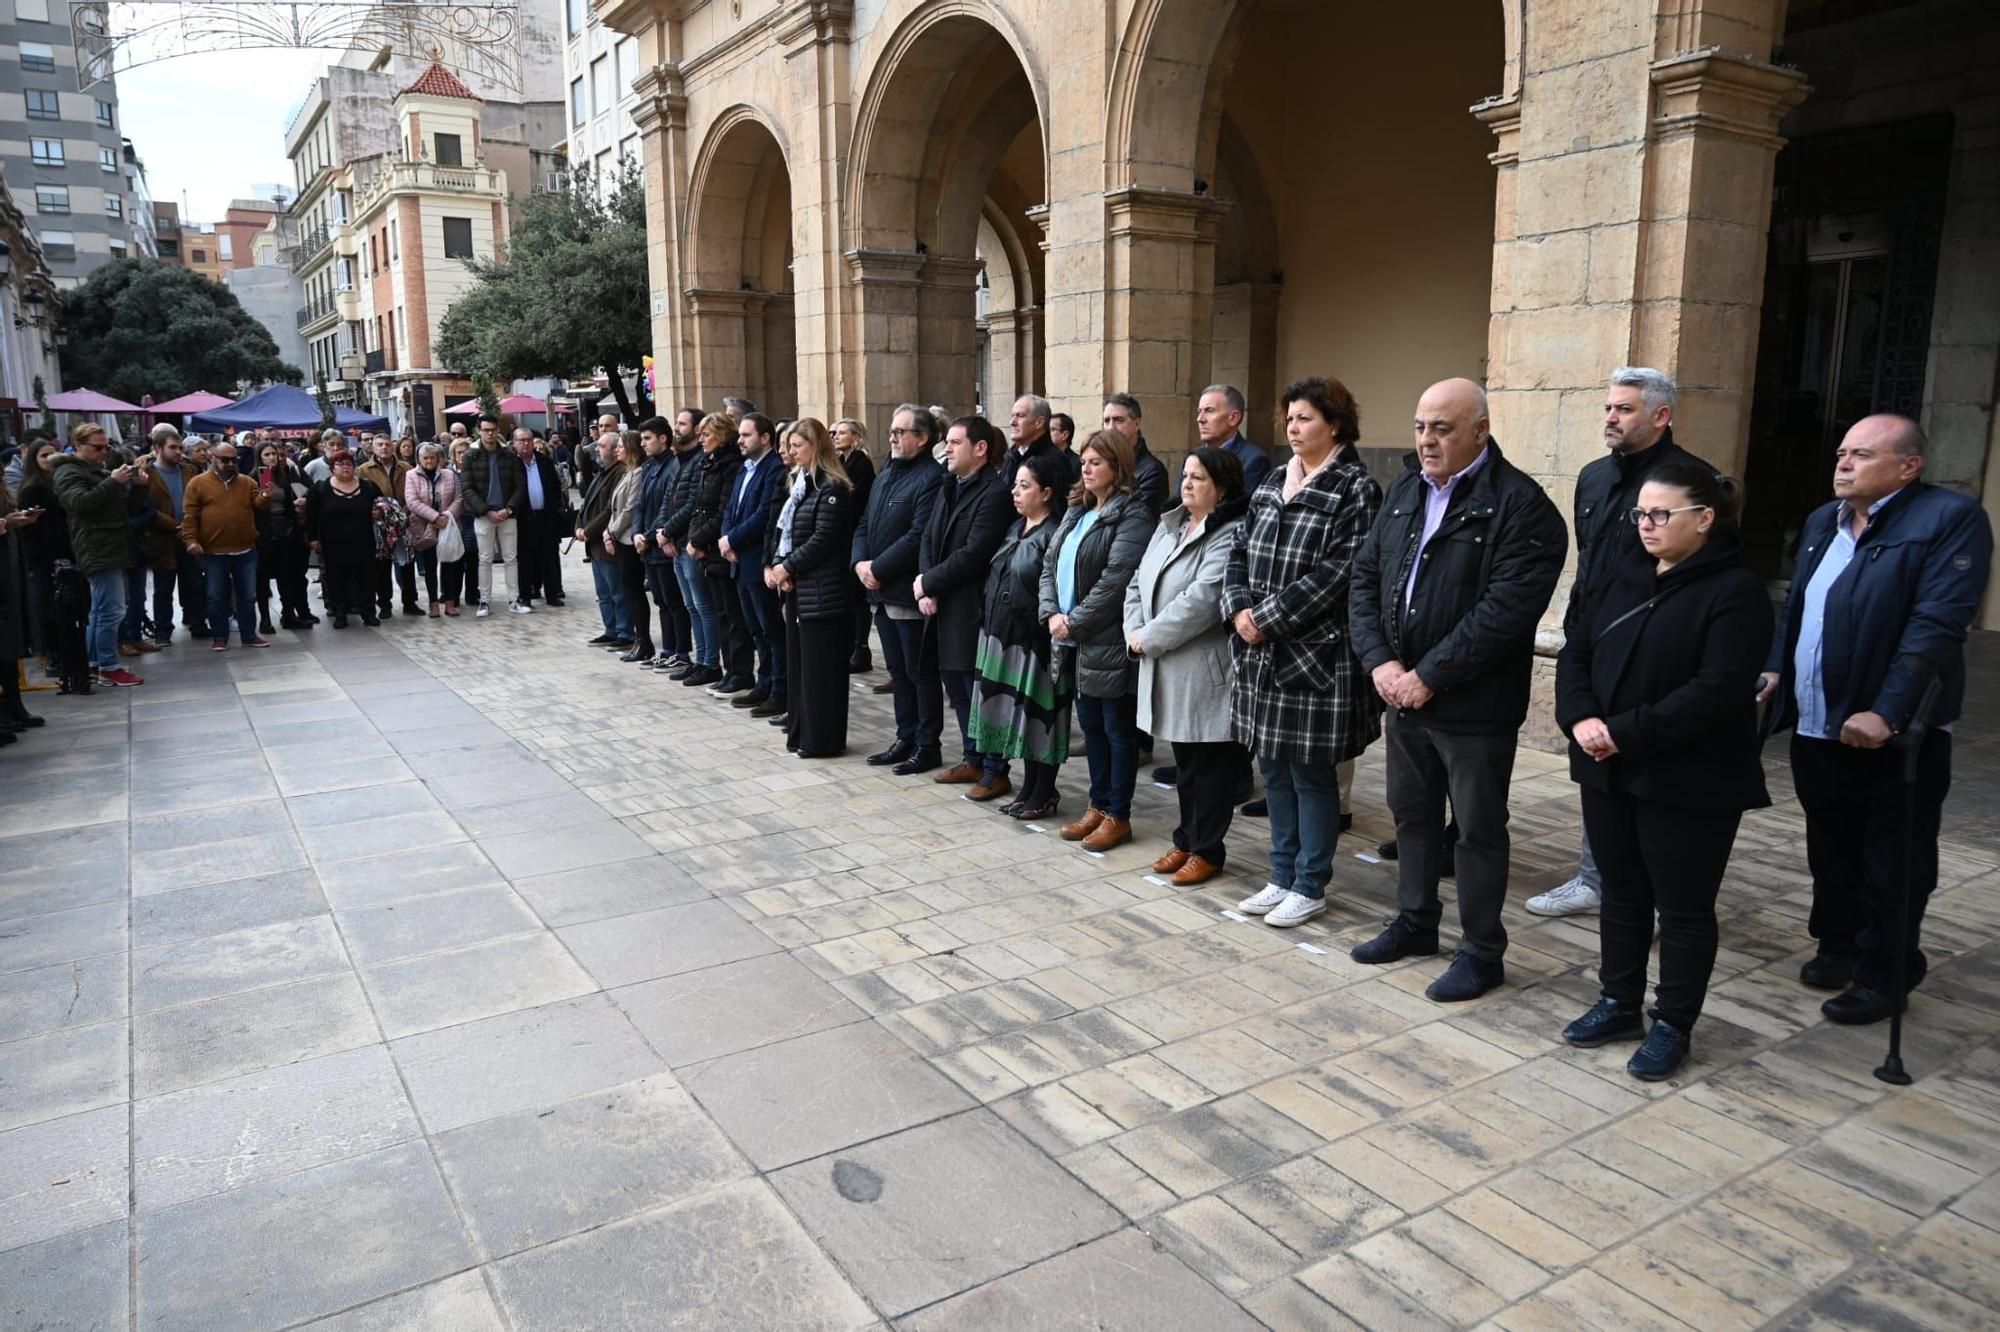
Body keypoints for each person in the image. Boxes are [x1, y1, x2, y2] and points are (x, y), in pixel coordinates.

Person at [1759, 414, 1994, 1025]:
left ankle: (1884, 971)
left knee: (1893, 859)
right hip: (1819, 722)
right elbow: (1798, 607)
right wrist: (1775, 668)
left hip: (1894, 734)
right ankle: (1836, 945)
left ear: (1908, 466)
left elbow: (1936, 626)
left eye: (1860, 454)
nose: (1842, 463)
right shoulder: (1821, 522)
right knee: (1829, 847)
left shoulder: (1948, 520)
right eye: (1841, 452)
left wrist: (1887, 710)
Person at [1347, 378, 1566, 998]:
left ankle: (1481, 952)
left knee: (1475, 833)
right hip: (1401, 694)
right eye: (1420, 427)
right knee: (1411, 818)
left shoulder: (1521, 506)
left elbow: (1504, 612)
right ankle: (1415, 921)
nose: (1426, 440)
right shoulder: (1405, 491)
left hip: (1472, 707)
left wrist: (1428, 677)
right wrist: (1381, 665)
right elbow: (1365, 580)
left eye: (1442, 428)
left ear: (1480, 429)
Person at [1555, 464, 1771, 1079]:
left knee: (1681, 907)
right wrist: (1579, 718)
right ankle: (1618, 1001)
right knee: (1620, 893)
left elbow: (1717, 690)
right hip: (1606, 766)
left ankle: (1674, 1021)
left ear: (1704, 519)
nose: (1646, 526)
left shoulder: (1735, 591)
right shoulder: (1623, 578)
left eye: (1660, 515)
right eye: (1640, 514)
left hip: (1688, 778)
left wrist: (1620, 732)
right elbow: (1577, 652)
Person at [1530, 366, 1715, 919]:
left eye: (1624, 409)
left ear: (1661, 416)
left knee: (1647, 771)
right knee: (1594, 761)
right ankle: (1596, 878)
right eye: (1609, 407)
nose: (1611, 417)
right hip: (1595, 638)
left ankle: (1657, 894)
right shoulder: (1591, 477)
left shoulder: (1691, 482)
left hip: (1656, 647)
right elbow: (1589, 561)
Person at [1223, 378, 1381, 927]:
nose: (1293, 428)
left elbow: (1340, 572)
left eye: (1305, 419)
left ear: (1334, 424)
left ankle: (1310, 883)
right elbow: (1238, 551)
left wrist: (1266, 618)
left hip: (1314, 656)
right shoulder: (1270, 480)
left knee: (1312, 776)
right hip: (1260, 656)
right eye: (1290, 419)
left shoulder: (1354, 488)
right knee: (1274, 771)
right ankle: (1280, 874)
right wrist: (1239, 609)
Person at [1125, 445, 1251, 886]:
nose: (1188, 483)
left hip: (1204, 671)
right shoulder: (1170, 525)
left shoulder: (1230, 533)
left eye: (1199, 478)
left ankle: (1207, 849)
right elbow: (1136, 584)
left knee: (1211, 768)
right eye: (1186, 474)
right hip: (1163, 663)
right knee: (1185, 766)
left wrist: (1149, 638)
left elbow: (1201, 601)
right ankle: (1185, 838)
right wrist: (1133, 632)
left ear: (1223, 487)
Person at [1041, 430, 1152, 852]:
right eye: (1084, 461)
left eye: (1096, 463)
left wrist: (1075, 623)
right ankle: (1096, 805)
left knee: (1115, 730)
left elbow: (1116, 581)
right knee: (1091, 727)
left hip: (1104, 638)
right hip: (1071, 636)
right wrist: (1051, 613)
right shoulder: (1077, 510)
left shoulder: (1133, 515)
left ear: (1118, 468)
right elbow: (1049, 564)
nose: (1086, 469)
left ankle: (1117, 814)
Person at [918, 415, 1015, 796]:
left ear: (980, 449)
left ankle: (995, 768)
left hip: (971, 605)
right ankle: (973, 759)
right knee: (957, 687)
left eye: (955, 443)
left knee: (980, 690)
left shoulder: (993, 493)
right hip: (943, 601)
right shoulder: (950, 485)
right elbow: (929, 536)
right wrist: (927, 585)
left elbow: (974, 553)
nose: (947, 449)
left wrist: (929, 582)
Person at [970, 454, 1069, 820]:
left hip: (1036, 641)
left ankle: (1044, 791)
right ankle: (1029, 788)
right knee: (1019, 719)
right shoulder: (1015, 528)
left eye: (1024, 486)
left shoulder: (1054, 534)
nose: (1015, 491)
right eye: (1016, 485)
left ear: (1046, 492)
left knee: (1040, 718)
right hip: (1002, 636)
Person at [855, 405, 946, 771]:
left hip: (905, 591)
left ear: (922, 439)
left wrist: (877, 567)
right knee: (897, 671)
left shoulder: (931, 478)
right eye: (892, 431)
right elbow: (864, 522)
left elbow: (918, 534)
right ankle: (904, 737)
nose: (892, 437)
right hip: (878, 589)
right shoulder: (887, 472)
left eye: (900, 431)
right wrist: (860, 563)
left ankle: (927, 745)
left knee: (918, 673)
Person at [767, 418, 855, 756]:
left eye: (798, 445)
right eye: (789, 445)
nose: (791, 451)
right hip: (799, 589)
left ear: (816, 446)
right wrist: (780, 564)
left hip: (823, 592)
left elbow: (824, 539)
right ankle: (803, 733)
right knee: (801, 669)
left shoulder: (832, 488)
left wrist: (787, 566)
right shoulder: (798, 484)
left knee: (822, 672)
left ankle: (823, 740)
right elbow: (783, 530)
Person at [51, 424, 146, 687]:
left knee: (102, 609)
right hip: (97, 547)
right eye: (98, 447)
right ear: (79, 446)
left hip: (110, 545)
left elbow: (123, 509)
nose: (104, 452)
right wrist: (113, 481)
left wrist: (138, 486)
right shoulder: (68, 471)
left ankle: (95, 664)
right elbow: (80, 504)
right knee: (111, 610)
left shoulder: (94, 470)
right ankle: (108, 666)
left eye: (107, 446)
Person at [721, 413, 787, 713]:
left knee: (771, 628)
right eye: (740, 435)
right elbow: (731, 508)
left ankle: (779, 689)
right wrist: (725, 539)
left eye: (746, 435)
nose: (740, 440)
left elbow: (764, 516)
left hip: (757, 558)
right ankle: (763, 684)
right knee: (755, 627)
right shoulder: (745, 468)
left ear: (765, 438)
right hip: (738, 560)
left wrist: (732, 539)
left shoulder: (774, 469)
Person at [684, 411, 754, 692]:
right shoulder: (708, 463)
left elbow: (723, 510)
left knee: (734, 616)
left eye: (706, 434)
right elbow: (699, 505)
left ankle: (741, 672)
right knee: (721, 613)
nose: (701, 439)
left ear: (723, 435)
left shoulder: (731, 465)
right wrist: (695, 538)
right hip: (708, 549)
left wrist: (699, 540)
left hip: (721, 549)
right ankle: (728, 670)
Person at [181, 440, 273, 650]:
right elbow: (190, 516)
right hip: (214, 551)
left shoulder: (247, 482)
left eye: (234, 459)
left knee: (248, 596)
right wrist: (191, 540)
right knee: (216, 597)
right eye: (225, 460)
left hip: (245, 549)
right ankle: (220, 636)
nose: (230, 463)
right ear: (212, 458)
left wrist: (266, 495)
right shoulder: (197, 483)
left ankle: (249, 634)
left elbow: (259, 504)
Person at [658, 409, 715, 681]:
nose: (676, 428)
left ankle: (710, 662)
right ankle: (700, 659)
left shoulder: (699, 461)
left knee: (703, 605)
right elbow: (668, 501)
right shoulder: (679, 461)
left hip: (689, 542)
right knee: (691, 605)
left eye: (682, 424)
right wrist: (662, 531)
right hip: (676, 543)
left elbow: (693, 503)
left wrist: (668, 531)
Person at [635, 414, 691, 669]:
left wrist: (648, 536)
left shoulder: (674, 466)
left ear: (663, 438)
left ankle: (680, 652)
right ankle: (668, 648)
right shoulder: (648, 467)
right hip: (648, 544)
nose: (643, 444)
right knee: (660, 600)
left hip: (664, 544)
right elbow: (640, 505)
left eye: (647, 438)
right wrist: (637, 533)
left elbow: (668, 507)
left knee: (673, 601)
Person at [142, 425, 206, 643]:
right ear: (158, 448)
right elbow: (147, 508)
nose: (178, 452)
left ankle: (198, 623)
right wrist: (173, 526)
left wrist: (189, 527)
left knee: (194, 583)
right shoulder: (147, 473)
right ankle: (163, 630)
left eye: (180, 447)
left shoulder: (190, 470)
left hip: (189, 535)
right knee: (163, 588)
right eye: (173, 448)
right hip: (162, 537)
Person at [307, 448, 383, 628]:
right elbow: (312, 516)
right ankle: (340, 613)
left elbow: (383, 505)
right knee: (336, 579)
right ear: (332, 468)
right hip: (333, 544)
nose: (345, 468)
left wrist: (378, 513)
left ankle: (369, 613)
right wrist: (313, 539)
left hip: (364, 543)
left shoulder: (368, 487)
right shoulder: (320, 488)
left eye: (349, 464)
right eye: (340, 464)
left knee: (366, 580)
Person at [462, 415, 528, 617]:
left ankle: (514, 599)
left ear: (498, 430)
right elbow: (467, 489)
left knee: (510, 558)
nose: (489, 433)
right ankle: (484, 601)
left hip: (507, 514)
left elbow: (520, 487)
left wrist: (508, 509)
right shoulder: (470, 456)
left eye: (492, 429)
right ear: (479, 431)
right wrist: (485, 511)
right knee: (484, 559)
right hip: (484, 515)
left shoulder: (509, 455)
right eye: (485, 430)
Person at [0, 474, 46, 741]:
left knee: (10, 643)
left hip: (9, 570)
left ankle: (14, 705)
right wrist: (7, 522)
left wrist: (16, 519)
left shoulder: (5, 491)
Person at [576, 429, 633, 647]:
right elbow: (586, 504)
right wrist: (578, 526)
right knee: (604, 593)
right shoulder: (602, 472)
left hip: (608, 541)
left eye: (602, 446)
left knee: (617, 591)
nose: (597, 450)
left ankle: (625, 631)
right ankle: (611, 629)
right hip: (595, 544)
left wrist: (588, 530)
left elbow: (610, 509)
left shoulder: (619, 472)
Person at [611, 428, 660, 663]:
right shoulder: (627, 473)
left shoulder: (639, 473)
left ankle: (644, 641)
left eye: (621, 446)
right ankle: (640, 639)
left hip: (630, 540)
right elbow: (615, 508)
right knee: (629, 590)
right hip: (620, 539)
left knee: (635, 591)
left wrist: (611, 531)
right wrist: (609, 532)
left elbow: (630, 509)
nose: (617, 450)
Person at [833, 417, 877, 672]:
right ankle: (849, 645)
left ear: (856, 437)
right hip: (843, 537)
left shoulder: (862, 464)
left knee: (857, 598)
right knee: (848, 596)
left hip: (855, 535)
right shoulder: (840, 461)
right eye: (835, 433)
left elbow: (853, 498)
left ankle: (861, 647)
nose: (836, 436)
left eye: (842, 433)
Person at [254, 442, 313, 629]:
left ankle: (289, 614)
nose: (272, 457)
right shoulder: (252, 478)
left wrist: (299, 504)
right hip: (264, 532)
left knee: (285, 575)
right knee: (262, 577)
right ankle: (264, 619)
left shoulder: (286, 475)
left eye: (275, 454)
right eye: (267, 454)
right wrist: (264, 494)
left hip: (286, 530)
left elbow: (300, 492)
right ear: (259, 457)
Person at [357, 434, 416, 616]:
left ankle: (410, 602)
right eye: (380, 445)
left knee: (406, 563)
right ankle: (384, 604)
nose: (384, 448)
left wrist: (404, 512)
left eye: (387, 444)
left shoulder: (405, 468)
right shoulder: (364, 470)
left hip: (403, 521)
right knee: (382, 566)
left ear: (393, 447)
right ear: (372, 448)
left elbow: (413, 492)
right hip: (379, 524)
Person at [404, 442, 464, 616]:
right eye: (425, 458)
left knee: (450, 565)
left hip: (448, 526)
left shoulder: (449, 474)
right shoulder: (411, 475)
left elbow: (459, 498)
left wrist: (446, 516)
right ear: (419, 459)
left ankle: (450, 602)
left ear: (438, 458)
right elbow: (412, 501)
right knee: (430, 568)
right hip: (425, 528)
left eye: (432, 457)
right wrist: (435, 517)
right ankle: (433, 603)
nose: (429, 461)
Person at [514, 428, 569, 607]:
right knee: (525, 560)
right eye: (521, 440)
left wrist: (555, 511)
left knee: (549, 557)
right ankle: (526, 595)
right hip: (523, 519)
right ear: (514, 443)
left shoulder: (544, 462)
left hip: (546, 517)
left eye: (529, 440)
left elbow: (554, 488)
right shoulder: (512, 464)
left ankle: (552, 593)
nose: (526, 443)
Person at [1098, 394, 1171, 518]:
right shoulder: (1097, 465)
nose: (1111, 427)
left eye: (1119, 420)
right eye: (1107, 421)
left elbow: (1136, 517)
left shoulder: (1152, 472)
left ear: (1137, 424)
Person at [1196, 384, 1272, 494]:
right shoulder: (1193, 458)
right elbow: (1176, 506)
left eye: (1209, 410)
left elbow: (1239, 508)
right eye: (1199, 411)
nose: (1200, 419)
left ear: (1234, 418)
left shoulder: (1254, 460)